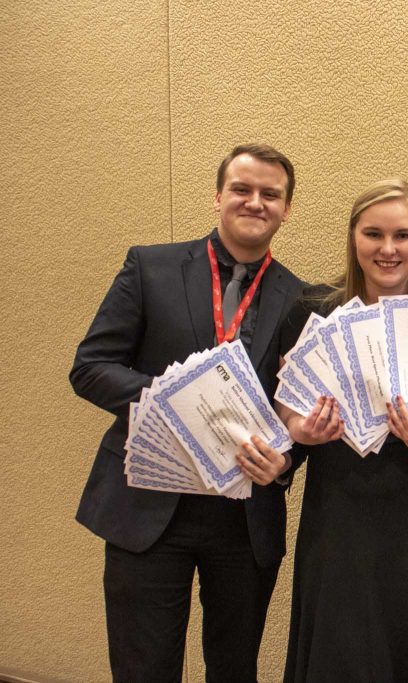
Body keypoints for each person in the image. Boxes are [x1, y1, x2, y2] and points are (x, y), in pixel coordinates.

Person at [70, 144, 304, 682]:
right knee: (143, 670)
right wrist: (177, 403)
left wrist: (287, 462)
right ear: (218, 195)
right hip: (149, 510)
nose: (255, 202)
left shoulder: (299, 298)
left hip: (243, 518)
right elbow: (90, 367)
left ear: (287, 209)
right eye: (242, 189)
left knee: (233, 669)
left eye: (271, 194)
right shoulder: (149, 267)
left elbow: (296, 414)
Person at [277, 178, 408, 682]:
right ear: (354, 239)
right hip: (338, 514)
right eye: (373, 234)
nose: (387, 249)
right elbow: (283, 407)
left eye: (402, 235)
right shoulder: (313, 310)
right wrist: (301, 430)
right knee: (342, 647)